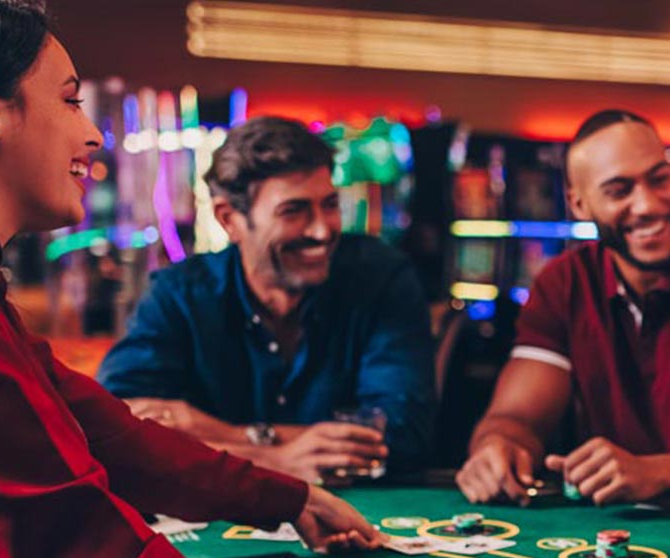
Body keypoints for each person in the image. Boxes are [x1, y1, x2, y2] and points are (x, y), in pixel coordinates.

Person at [0, 3, 482, 558]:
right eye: (70, 99)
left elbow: (114, 436)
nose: (92, 133)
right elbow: (72, 535)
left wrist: (287, 496)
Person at [457, 110, 670, 507]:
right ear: (580, 205)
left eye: (659, 179)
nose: (648, 205)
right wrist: (497, 446)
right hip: (614, 519)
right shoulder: (562, 282)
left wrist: (652, 471)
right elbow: (517, 416)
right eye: (619, 191)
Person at [97, 116, 436, 483]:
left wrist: (220, 436)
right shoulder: (179, 295)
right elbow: (114, 429)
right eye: (293, 211)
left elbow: (400, 435)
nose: (322, 230)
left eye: (330, 204)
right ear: (230, 220)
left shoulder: (381, 278)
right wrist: (273, 459)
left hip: (362, 516)